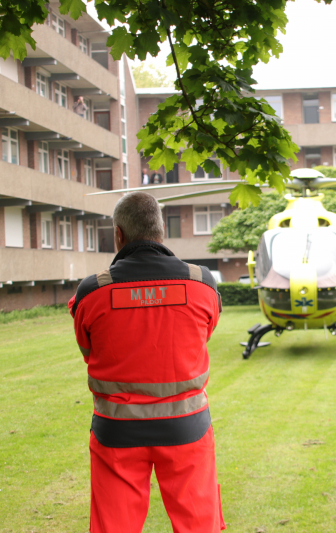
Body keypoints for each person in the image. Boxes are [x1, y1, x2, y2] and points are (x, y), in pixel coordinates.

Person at [68, 192, 224, 533]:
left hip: (117, 431)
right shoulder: (202, 283)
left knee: (115, 526)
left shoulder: (91, 292)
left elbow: (88, 351)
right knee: (199, 525)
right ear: (161, 232)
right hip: (187, 426)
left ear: (119, 235)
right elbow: (203, 336)